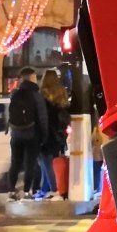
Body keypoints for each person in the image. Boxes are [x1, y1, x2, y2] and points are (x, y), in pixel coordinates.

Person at [6, 66, 50, 200]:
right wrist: (44, 135)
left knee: (15, 163)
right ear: (32, 78)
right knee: (30, 164)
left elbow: (11, 113)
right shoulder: (36, 95)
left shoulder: (15, 94)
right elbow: (43, 117)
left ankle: (11, 192)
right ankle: (26, 192)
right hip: (32, 135)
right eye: (35, 77)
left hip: (16, 134)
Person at [38, 69, 71, 199]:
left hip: (47, 130)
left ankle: (54, 187)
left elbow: (42, 115)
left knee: (45, 161)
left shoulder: (42, 94)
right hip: (59, 132)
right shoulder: (61, 92)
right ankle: (47, 187)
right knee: (55, 160)